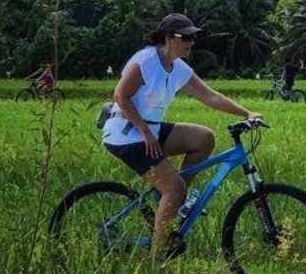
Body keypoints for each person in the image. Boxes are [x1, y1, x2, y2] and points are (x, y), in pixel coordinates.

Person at [100, 14, 261, 260]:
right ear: (168, 38)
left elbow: (209, 96)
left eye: (193, 37)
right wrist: (144, 131)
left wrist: (246, 112)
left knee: (203, 138)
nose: (190, 42)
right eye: (185, 37)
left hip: (150, 130)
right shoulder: (145, 62)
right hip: (126, 134)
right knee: (172, 188)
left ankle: (178, 198)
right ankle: (157, 257)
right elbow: (121, 96)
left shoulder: (178, 68)